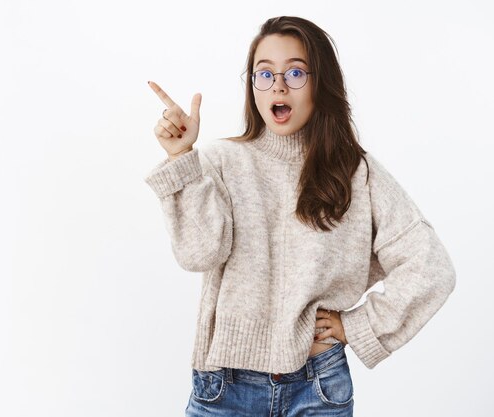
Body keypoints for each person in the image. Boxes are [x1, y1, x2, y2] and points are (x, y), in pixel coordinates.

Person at [143, 16, 456, 417]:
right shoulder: (221, 162)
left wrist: (358, 327)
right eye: (264, 74)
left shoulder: (355, 172)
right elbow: (199, 254)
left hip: (317, 386)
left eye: (295, 72)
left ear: (320, 82)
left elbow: (431, 267)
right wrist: (181, 159)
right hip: (224, 388)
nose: (278, 85)